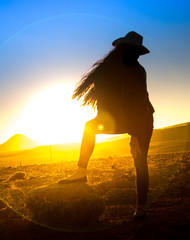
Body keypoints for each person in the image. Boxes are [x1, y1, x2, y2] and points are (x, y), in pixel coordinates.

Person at [59, 31, 155, 220]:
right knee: (90, 127)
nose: (135, 56)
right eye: (132, 51)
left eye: (137, 52)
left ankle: (141, 209)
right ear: (122, 50)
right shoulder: (111, 69)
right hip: (124, 118)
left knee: (140, 160)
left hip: (142, 119)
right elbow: (108, 101)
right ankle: (81, 172)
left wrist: (134, 136)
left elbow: (139, 104)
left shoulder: (138, 72)